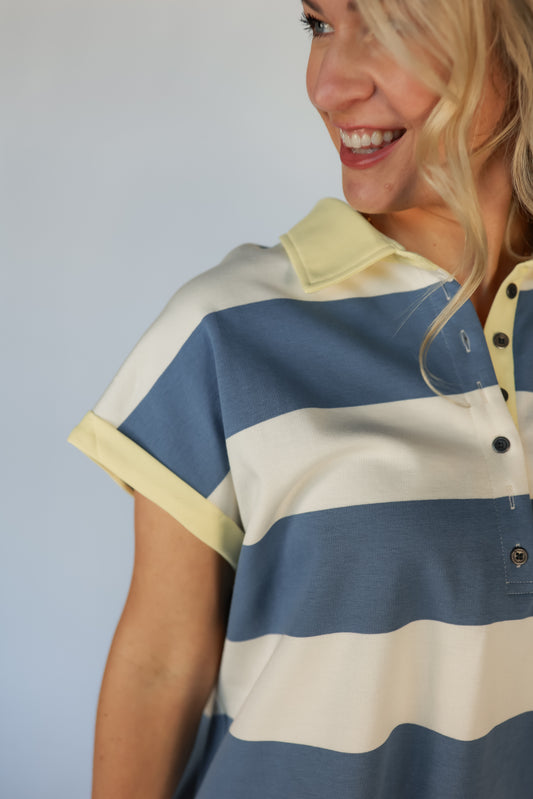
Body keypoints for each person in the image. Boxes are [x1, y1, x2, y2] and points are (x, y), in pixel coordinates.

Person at [68, 0, 533, 796]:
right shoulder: (228, 329)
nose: (327, 85)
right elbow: (160, 664)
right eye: (317, 24)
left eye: (392, 24)